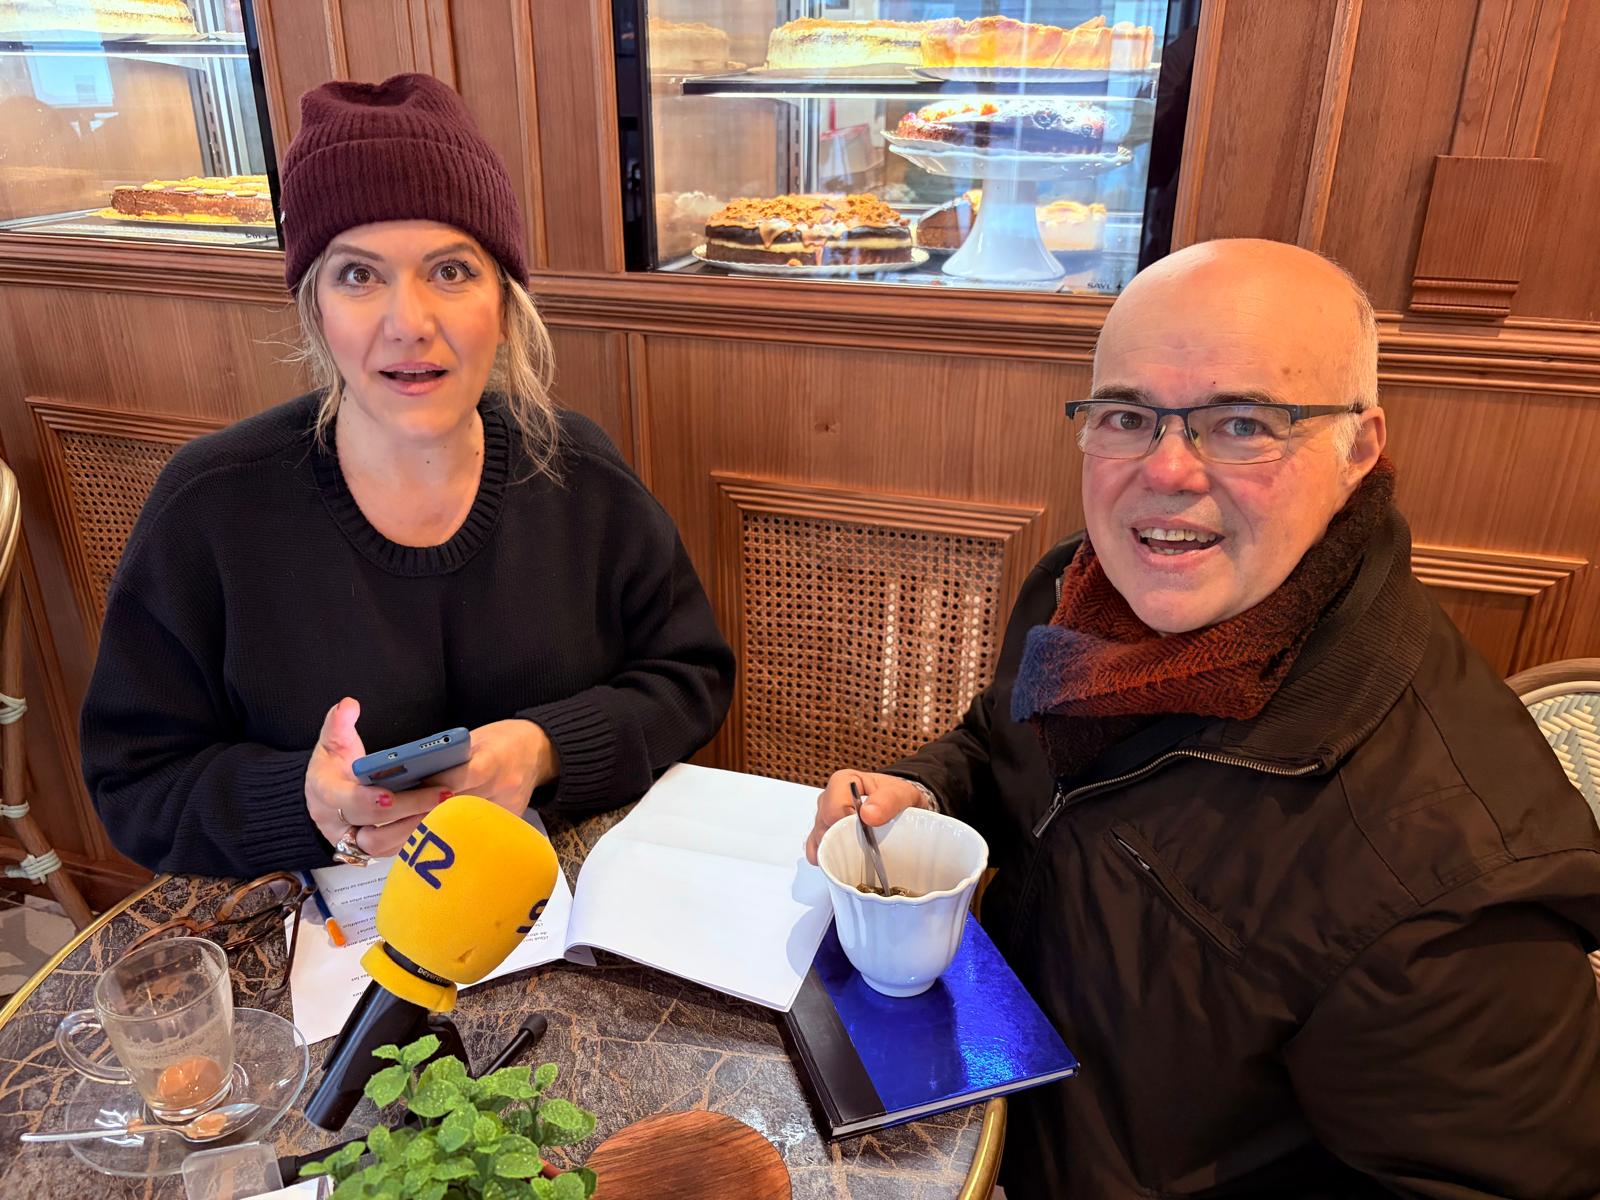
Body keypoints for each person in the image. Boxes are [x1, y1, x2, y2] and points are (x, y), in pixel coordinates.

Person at [806, 239, 1600, 1198]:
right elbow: (1001, 740)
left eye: (1242, 423)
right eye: (1129, 415)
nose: (1168, 470)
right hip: (987, 1111)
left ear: (1360, 447)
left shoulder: (1453, 872)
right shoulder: (1078, 591)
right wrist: (928, 789)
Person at [81, 73, 734, 876]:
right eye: (358, 275)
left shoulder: (578, 474)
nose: (409, 324)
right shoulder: (211, 508)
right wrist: (305, 801)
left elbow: (691, 677)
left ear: (504, 298)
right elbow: (134, 782)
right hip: (316, 936)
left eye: (451, 271)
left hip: (560, 911)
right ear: (312, 304)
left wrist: (544, 748)